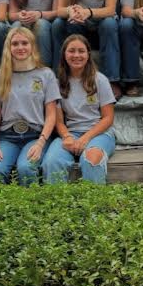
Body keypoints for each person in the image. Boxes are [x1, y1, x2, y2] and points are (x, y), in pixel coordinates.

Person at [0, 27, 61, 185]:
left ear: (32, 46)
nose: (20, 47)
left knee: (26, 168)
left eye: (25, 43)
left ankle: (30, 207)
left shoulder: (46, 75)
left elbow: (51, 115)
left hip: (36, 135)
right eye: (15, 44)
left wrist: (41, 143)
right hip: (7, 136)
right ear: (9, 47)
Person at [42, 35, 117, 184]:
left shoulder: (100, 80)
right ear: (64, 54)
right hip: (70, 132)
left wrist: (86, 138)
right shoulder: (56, 83)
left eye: (81, 51)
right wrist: (67, 136)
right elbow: (58, 120)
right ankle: (57, 205)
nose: (76, 55)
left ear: (88, 55)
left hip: (98, 133)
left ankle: (93, 205)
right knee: (51, 161)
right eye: (71, 51)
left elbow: (108, 118)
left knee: (92, 159)